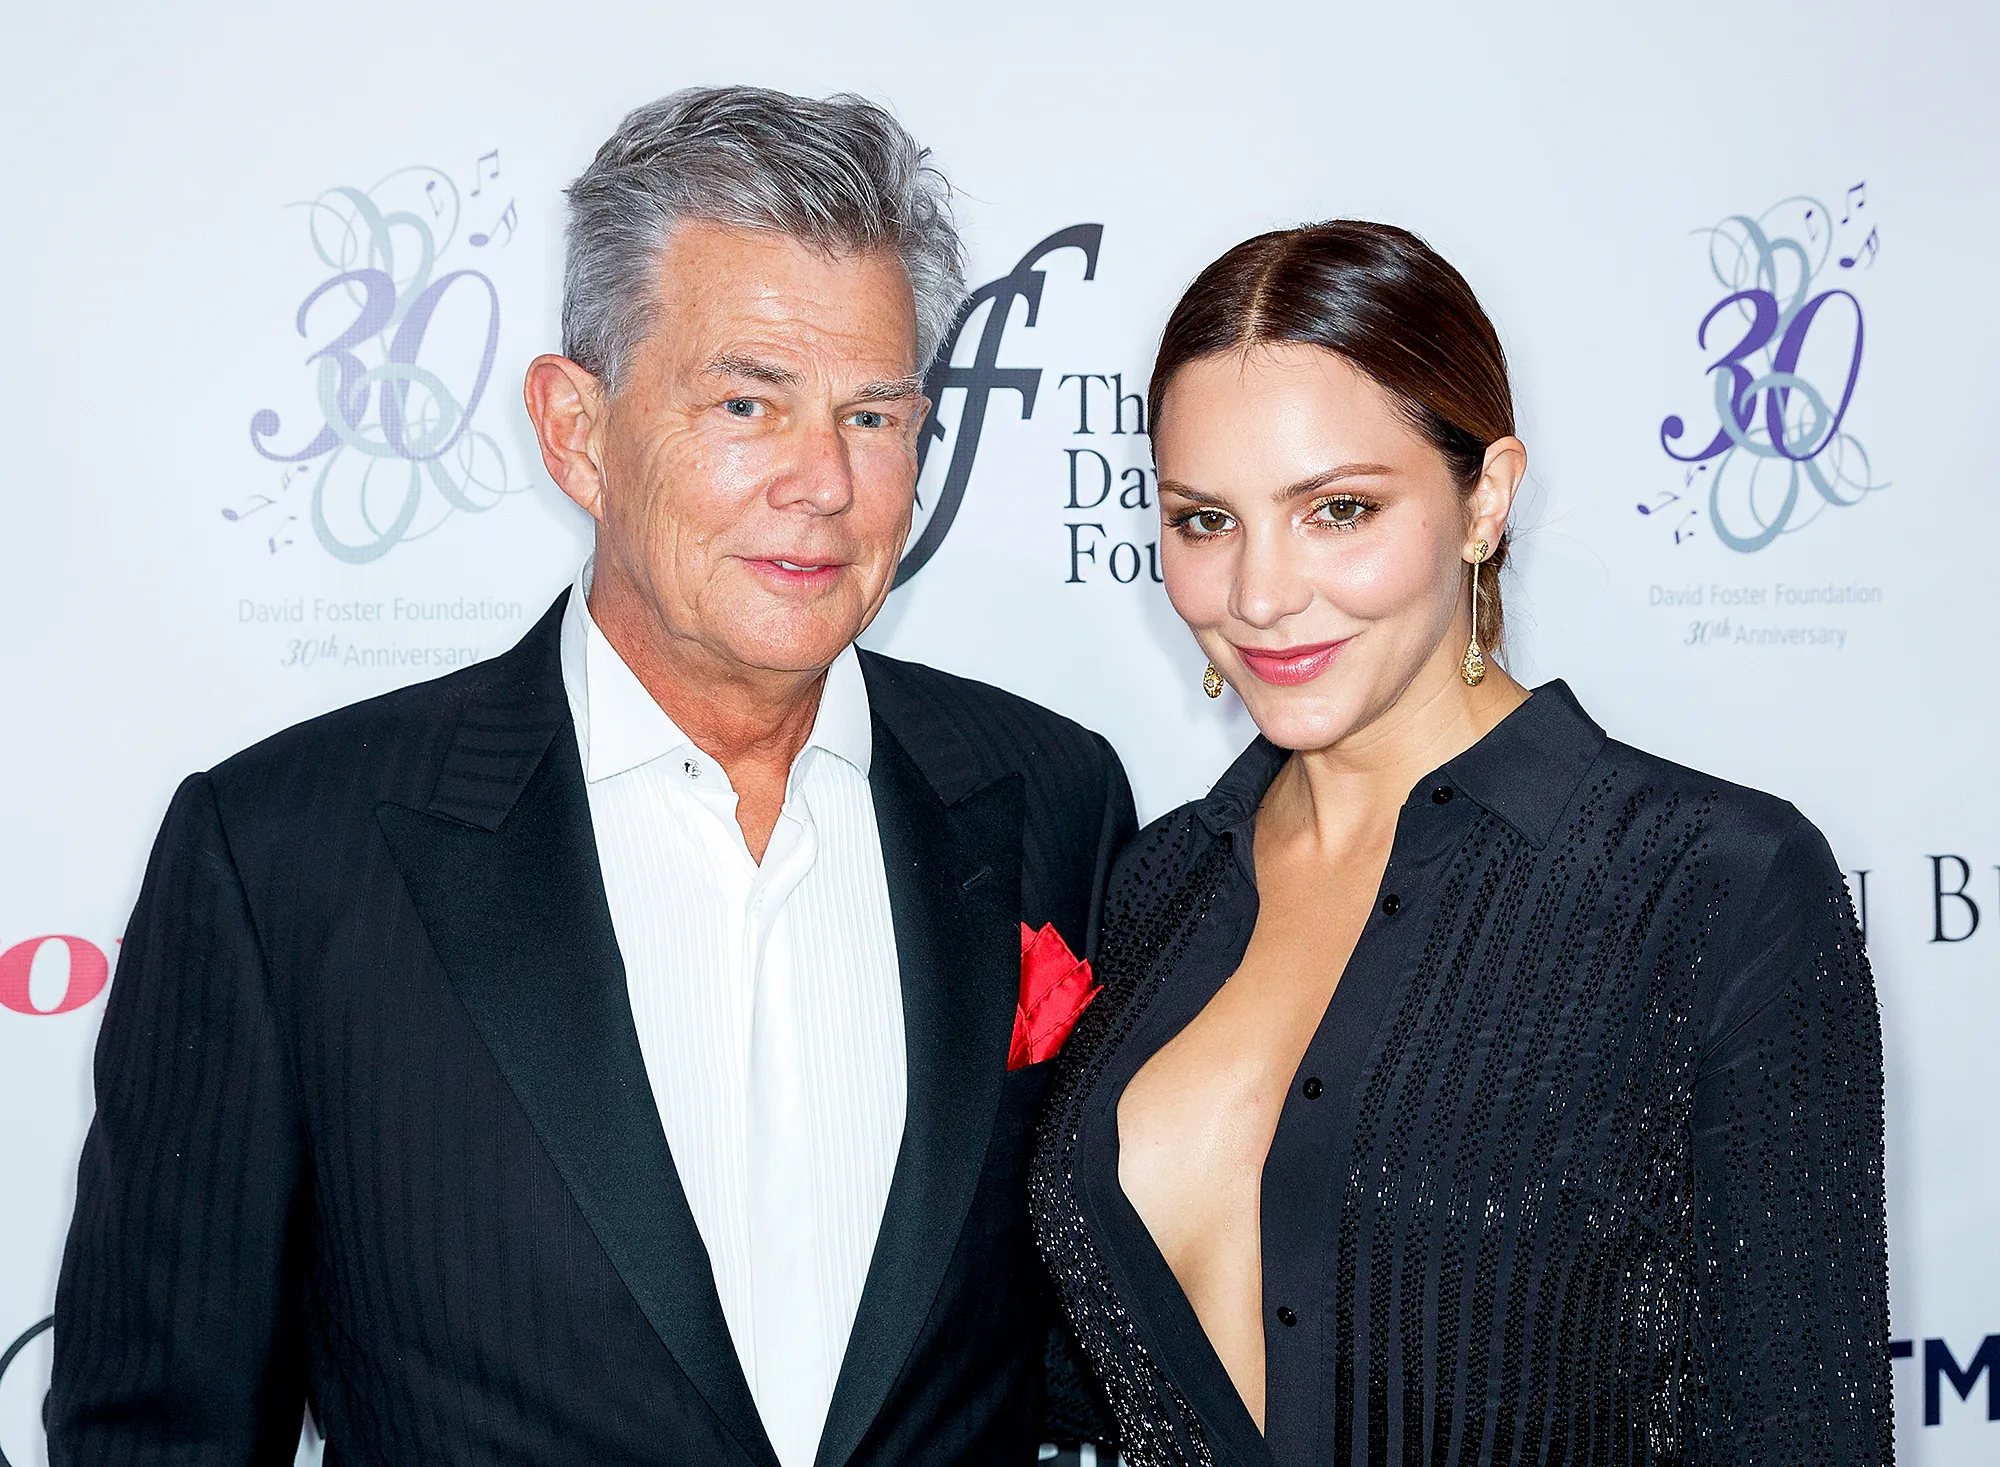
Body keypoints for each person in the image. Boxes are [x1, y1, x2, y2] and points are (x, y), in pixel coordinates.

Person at [52, 87, 1133, 1467]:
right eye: (749, 401)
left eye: (874, 415)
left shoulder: (1055, 795)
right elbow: (159, 1429)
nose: (823, 479)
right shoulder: (283, 856)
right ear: (575, 429)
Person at [1030, 221, 1893, 1466]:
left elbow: (1794, 1430)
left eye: (1336, 511)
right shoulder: (1155, 883)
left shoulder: (1707, 889)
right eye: (1204, 520)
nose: (1259, 594)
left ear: (1483, 497)